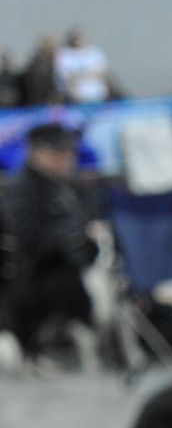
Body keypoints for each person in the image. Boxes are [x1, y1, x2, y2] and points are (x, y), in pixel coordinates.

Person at [3, 123, 98, 359]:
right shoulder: (20, 189)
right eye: (59, 153)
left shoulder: (69, 185)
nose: (66, 159)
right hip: (37, 277)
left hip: (73, 267)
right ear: (36, 153)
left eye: (69, 153)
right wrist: (69, 239)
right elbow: (29, 243)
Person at [54, 27, 112, 104]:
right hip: (74, 93)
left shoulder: (94, 52)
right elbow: (66, 77)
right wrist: (87, 74)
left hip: (97, 92)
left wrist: (80, 75)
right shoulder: (65, 54)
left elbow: (100, 73)